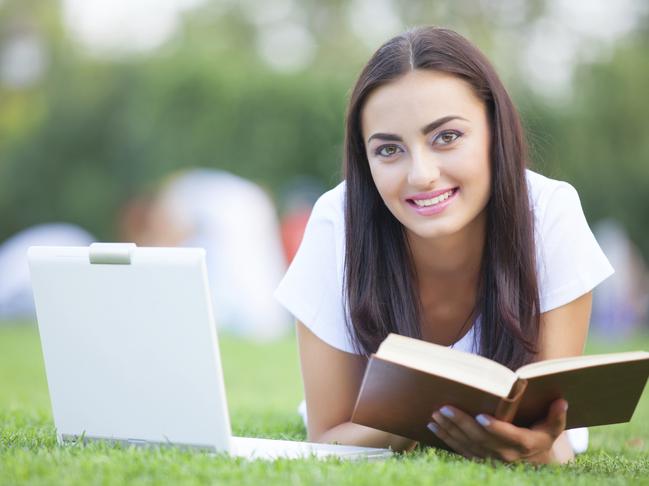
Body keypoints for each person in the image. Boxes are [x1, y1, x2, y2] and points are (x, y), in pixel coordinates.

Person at [274, 27, 614, 464]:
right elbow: (328, 437)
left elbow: (555, 441)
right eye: (389, 149)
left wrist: (536, 450)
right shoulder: (337, 223)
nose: (422, 174)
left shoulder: (549, 214)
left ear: (496, 130)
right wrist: (415, 415)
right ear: (365, 159)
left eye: (446, 137)